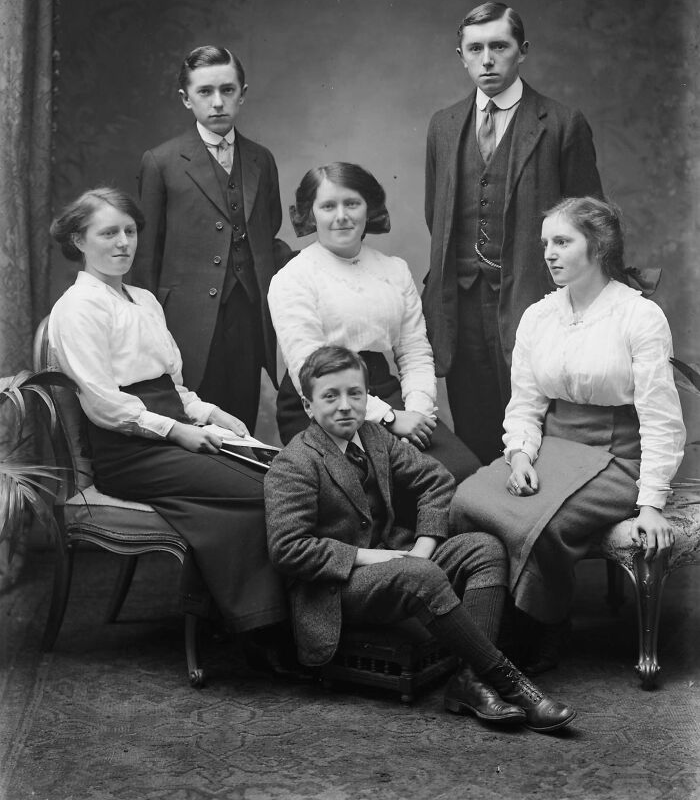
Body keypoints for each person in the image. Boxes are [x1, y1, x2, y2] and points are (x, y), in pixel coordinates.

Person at [264, 345, 576, 733]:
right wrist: (374, 558)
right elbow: (288, 549)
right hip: (335, 589)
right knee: (420, 575)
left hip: (398, 564)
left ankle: (470, 681)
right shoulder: (294, 462)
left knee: (484, 549)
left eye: (355, 394)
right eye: (330, 396)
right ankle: (513, 684)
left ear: (366, 397)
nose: (345, 406)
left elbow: (436, 480)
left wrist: (424, 547)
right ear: (308, 406)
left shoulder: (373, 436)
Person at [450, 197, 686, 673]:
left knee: (540, 523)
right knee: (467, 501)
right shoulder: (539, 316)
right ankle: (486, 638)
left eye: (562, 241)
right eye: (545, 244)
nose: (549, 254)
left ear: (598, 246)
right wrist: (520, 456)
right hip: (551, 448)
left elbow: (661, 419)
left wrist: (651, 504)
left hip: (617, 457)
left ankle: (543, 626)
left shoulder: (638, 316)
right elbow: (526, 404)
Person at [48, 187, 287, 640]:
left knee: (281, 475)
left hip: (174, 430)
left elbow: (173, 387)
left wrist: (210, 413)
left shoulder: (145, 300)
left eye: (130, 231)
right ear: (79, 241)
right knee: (268, 489)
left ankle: (259, 622)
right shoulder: (76, 309)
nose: (123, 243)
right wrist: (177, 431)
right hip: (128, 452)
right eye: (108, 233)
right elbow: (103, 403)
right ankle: (260, 623)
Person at [423, 1, 603, 465]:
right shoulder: (443, 126)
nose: (487, 59)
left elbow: (591, 226)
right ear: (461, 55)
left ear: (522, 50)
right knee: (475, 428)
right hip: (461, 303)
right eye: (475, 49)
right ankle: (484, 511)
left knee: (536, 425)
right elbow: (436, 217)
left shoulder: (561, 123)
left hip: (535, 299)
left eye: (499, 47)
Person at [267, 161, 480, 487]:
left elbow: (414, 351)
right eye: (328, 206)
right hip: (321, 403)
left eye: (352, 203)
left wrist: (417, 414)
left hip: (383, 390)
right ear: (311, 214)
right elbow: (309, 370)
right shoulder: (293, 278)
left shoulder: (394, 270)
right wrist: (390, 419)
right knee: (399, 484)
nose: (341, 216)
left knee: (464, 472)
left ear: (369, 208)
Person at [133, 45, 291, 430]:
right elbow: (146, 258)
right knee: (198, 425)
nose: (217, 102)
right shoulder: (162, 162)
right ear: (186, 98)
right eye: (205, 91)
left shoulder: (261, 159)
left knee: (241, 420)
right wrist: (148, 330)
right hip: (185, 321)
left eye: (227, 90)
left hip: (248, 314)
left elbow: (267, 233)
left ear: (243, 94)